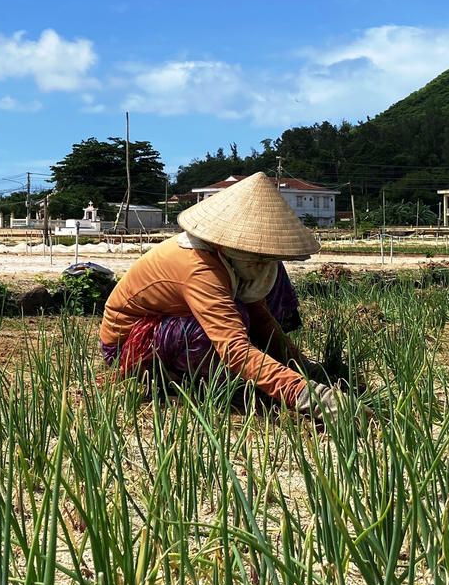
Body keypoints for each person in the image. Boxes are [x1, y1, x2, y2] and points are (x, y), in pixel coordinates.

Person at [99, 171, 359, 421]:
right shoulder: (198, 267)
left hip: (176, 319)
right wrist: (312, 398)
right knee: (208, 330)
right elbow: (234, 348)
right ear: (229, 244)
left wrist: (300, 365)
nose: (262, 263)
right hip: (131, 348)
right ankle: (192, 387)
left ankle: (258, 375)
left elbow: (261, 316)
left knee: (268, 286)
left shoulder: (231, 261)